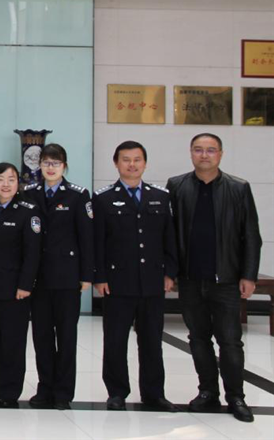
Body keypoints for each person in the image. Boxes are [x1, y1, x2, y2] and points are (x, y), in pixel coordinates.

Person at [166, 133, 261, 423]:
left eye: (210, 150)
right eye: (198, 150)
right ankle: (207, 392)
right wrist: (170, 272)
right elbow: (168, 233)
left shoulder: (238, 188)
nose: (204, 155)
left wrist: (249, 275)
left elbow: (251, 235)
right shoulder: (177, 186)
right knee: (198, 338)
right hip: (191, 279)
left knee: (230, 341)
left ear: (220, 154)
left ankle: (236, 397)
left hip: (227, 280)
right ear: (190, 153)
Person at [93, 140, 178, 412]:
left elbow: (170, 238)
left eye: (137, 159)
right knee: (115, 341)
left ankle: (154, 393)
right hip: (117, 283)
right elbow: (98, 242)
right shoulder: (103, 198)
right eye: (126, 159)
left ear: (145, 163)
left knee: (152, 341)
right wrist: (99, 276)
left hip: (152, 281)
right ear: (116, 163)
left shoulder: (161, 196)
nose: (132, 165)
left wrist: (170, 272)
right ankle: (117, 392)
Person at [21, 143, 93, 410]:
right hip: (38, 278)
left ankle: (63, 392)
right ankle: (45, 387)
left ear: (64, 166)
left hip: (67, 277)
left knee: (66, 337)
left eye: (56, 163)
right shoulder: (29, 193)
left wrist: (86, 275)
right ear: (39, 165)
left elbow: (86, 238)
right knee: (41, 336)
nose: (50, 168)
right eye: (46, 163)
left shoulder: (78, 195)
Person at [0, 162, 41, 408]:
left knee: (13, 339)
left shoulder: (28, 211)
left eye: (11, 179)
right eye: (1, 179)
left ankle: (10, 389)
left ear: (18, 184)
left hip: (15, 288)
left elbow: (32, 253)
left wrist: (26, 284)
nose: (6, 184)